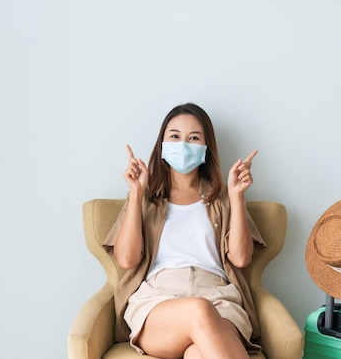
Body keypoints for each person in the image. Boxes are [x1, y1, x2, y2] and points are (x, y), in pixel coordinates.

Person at [103, 102, 265, 359]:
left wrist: (236, 197)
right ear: (163, 144)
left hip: (219, 298)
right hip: (158, 300)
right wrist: (136, 195)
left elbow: (241, 258)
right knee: (198, 310)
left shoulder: (223, 197)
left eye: (194, 137)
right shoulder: (145, 198)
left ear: (206, 147)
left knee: (197, 355)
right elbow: (127, 259)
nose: (183, 144)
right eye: (175, 136)